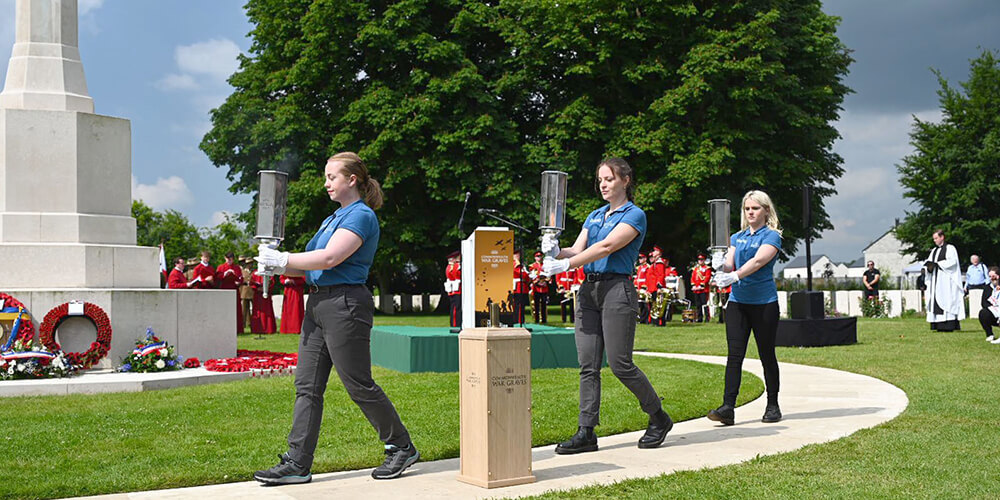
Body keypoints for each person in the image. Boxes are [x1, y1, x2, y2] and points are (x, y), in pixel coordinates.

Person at [252, 152, 418, 484]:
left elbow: (330, 257)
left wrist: (282, 258)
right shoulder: (334, 217)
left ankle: (401, 446)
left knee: (357, 383)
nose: (326, 183)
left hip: (345, 304)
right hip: (319, 305)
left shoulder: (361, 216)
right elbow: (312, 261)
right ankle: (298, 462)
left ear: (351, 180)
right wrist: (276, 263)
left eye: (332, 177)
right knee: (307, 387)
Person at [541, 157, 672, 454]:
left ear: (625, 180)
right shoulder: (595, 215)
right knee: (588, 365)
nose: (603, 184)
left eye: (609, 179)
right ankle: (586, 431)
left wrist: (568, 265)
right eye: (600, 180)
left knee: (620, 363)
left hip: (617, 289)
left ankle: (658, 416)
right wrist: (555, 251)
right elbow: (577, 248)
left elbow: (607, 247)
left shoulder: (634, 214)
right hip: (588, 292)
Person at [707, 190, 784, 426]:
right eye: (747, 209)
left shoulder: (772, 236)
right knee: (734, 355)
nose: (751, 212)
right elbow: (729, 263)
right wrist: (720, 264)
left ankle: (773, 405)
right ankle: (728, 407)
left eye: (755, 208)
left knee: (766, 355)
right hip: (738, 304)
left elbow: (759, 261)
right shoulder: (737, 237)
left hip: (764, 304)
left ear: (766, 211)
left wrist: (736, 276)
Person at [924, 229, 965, 331]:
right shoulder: (934, 250)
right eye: (933, 239)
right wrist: (928, 267)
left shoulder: (950, 248)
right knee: (935, 300)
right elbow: (928, 262)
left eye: (936, 238)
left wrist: (938, 264)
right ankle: (937, 325)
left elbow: (953, 262)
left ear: (942, 237)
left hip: (945, 281)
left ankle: (948, 324)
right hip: (935, 280)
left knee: (946, 300)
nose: (934, 240)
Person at [215, 252, 245, 334]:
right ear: (225, 258)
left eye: (231, 259)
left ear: (233, 259)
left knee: (236, 309)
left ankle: (237, 329)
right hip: (224, 290)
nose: (229, 261)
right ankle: (224, 328)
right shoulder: (221, 267)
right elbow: (217, 277)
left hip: (234, 289)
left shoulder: (237, 267)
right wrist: (224, 274)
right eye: (228, 259)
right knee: (224, 309)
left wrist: (239, 282)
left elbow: (240, 278)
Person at [978, 267, 1000, 343]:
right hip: (993, 311)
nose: (992, 278)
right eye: (990, 277)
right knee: (983, 313)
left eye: (993, 276)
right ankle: (989, 334)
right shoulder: (987, 287)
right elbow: (984, 302)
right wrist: (993, 308)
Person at [690, 254, 712, 322]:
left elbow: (707, 277)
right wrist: (694, 285)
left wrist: (702, 285)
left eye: (701, 260)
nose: (700, 261)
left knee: (704, 304)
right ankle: (699, 318)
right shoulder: (696, 269)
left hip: (703, 289)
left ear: (704, 260)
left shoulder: (707, 268)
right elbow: (693, 278)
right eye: (699, 260)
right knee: (698, 305)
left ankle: (707, 317)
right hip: (696, 289)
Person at [529, 251, 550, 323]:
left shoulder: (545, 265)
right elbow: (531, 276)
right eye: (538, 256)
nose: (539, 258)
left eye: (540, 256)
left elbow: (549, 274)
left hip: (544, 287)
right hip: (536, 288)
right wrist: (537, 281)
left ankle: (544, 319)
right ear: (535, 258)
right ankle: (536, 319)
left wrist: (546, 281)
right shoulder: (532, 266)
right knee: (536, 304)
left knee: (544, 304)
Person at [444, 250, 462, 328]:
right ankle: (456, 324)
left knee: (454, 308)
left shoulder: (450, 267)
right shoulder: (456, 266)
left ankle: (455, 323)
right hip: (457, 289)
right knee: (456, 308)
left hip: (453, 289)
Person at [512, 249, 530, 325]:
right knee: (517, 306)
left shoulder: (522, 265)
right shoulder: (513, 264)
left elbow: (526, 276)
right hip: (517, 287)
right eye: (516, 255)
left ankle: (521, 320)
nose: (518, 256)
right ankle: (517, 321)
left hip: (523, 287)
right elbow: (518, 273)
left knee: (522, 306)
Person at [634, 252, 650, 323]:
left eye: (641, 258)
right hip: (638, 287)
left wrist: (646, 286)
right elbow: (637, 277)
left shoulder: (647, 267)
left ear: (645, 259)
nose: (639, 260)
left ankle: (644, 319)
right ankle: (640, 318)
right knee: (639, 303)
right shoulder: (639, 268)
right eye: (639, 258)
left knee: (644, 304)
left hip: (644, 287)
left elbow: (648, 277)